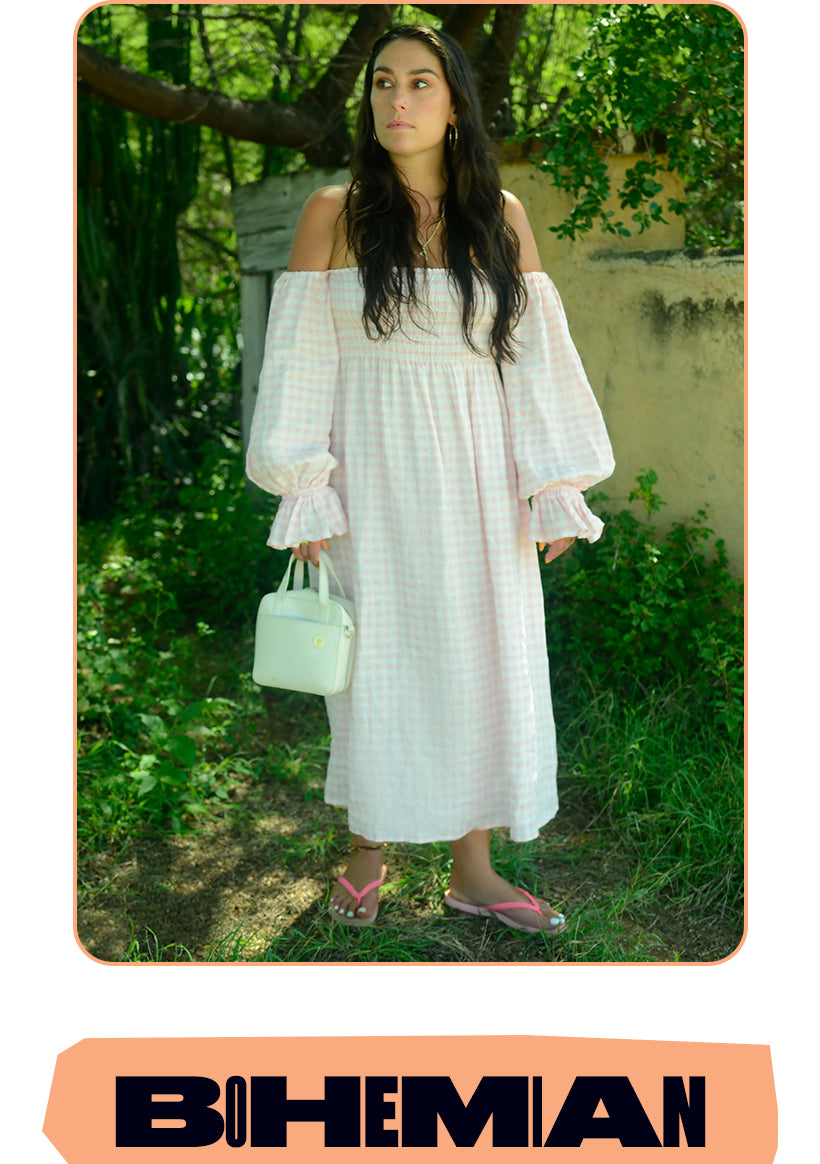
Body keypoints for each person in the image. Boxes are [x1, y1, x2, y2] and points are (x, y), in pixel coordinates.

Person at [246, 24, 614, 935]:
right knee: (376, 665)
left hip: (482, 486)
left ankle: (473, 873)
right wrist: (305, 487)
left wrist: (554, 484)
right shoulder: (333, 212)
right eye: (382, 83)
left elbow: (535, 362)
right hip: (370, 484)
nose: (397, 99)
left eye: (420, 82)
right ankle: (366, 857)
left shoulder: (502, 216)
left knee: (481, 663)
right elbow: (298, 362)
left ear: (454, 105)